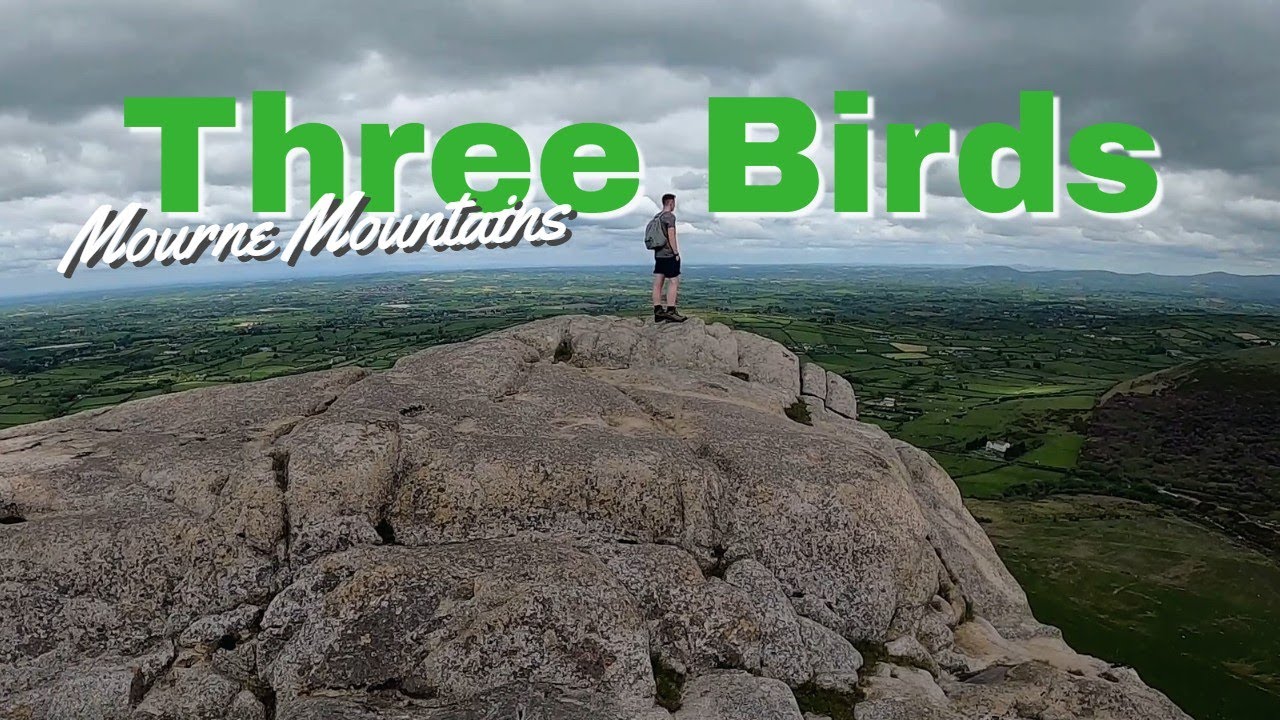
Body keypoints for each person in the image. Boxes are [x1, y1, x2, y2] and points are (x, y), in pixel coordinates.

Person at [651, 193, 687, 323]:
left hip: (658, 254)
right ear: (671, 203)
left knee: (658, 282)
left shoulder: (657, 217)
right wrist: (676, 253)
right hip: (668, 254)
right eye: (674, 203)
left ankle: (658, 311)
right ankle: (671, 311)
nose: (674, 206)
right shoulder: (669, 217)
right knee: (673, 281)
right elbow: (671, 236)